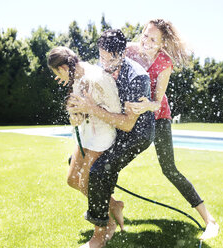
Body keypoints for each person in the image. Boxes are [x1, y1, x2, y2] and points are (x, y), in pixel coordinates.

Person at [125, 19, 219, 240]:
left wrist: (145, 105)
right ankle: (107, 208)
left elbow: (157, 102)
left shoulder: (163, 62)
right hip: (130, 116)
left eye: (153, 39)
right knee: (112, 156)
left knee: (169, 169)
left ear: (162, 44)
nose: (146, 41)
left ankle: (209, 220)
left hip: (158, 118)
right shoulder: (129, 50)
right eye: (145, 35)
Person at [67, 29, 155, 248]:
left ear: (123, 54)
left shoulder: (137, 77)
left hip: (135, 134)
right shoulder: (98, 70)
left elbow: (127, 123)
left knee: (97, 172)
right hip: (111, 127)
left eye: (111, 58)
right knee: (73, 170)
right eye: (101, 56)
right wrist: (78, 109)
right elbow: (89, 100)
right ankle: (113, 205)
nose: (105, 63)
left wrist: (92, 108)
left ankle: (100, 235)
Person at [47, 46, 126, 241]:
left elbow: (115, 110)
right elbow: (79, 112)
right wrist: (76, 116)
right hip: (86, 135)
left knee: (87, 183)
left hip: (101, 136)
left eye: (56, 72)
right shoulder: (75, 77)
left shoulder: (96, 76)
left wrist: (89, 109)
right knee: (73, 180)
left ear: (64, 68)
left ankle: (107, 224)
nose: (57, 77)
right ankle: (114, 204)